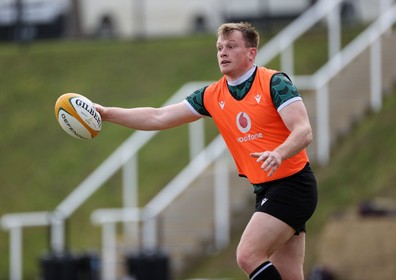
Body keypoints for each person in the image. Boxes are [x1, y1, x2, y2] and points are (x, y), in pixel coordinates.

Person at [95, 22, 318, 280]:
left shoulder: (274, 83)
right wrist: (108, 113)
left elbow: (304, 131)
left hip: (293, 185)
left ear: (251, 53)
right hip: (265, 189)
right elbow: (158, 117)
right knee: (288, 275)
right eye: (219, 47)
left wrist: (279, 153)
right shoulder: (212, 95)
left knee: (247, 255)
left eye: (231, 46)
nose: (223, 52)